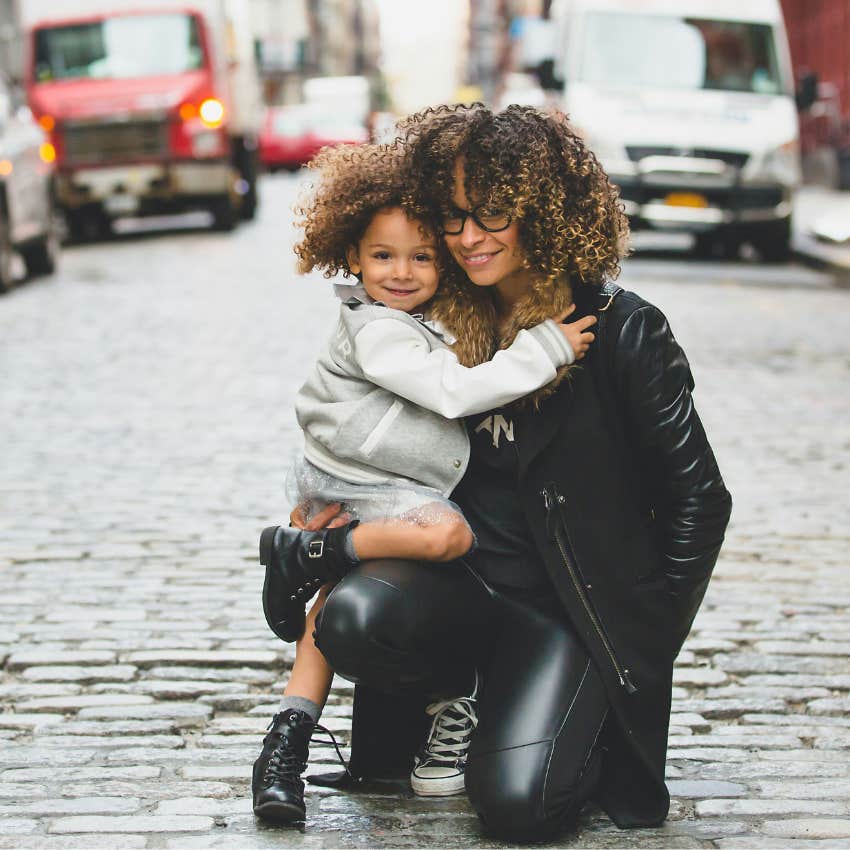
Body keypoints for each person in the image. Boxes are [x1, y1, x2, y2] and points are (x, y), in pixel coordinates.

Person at [291, 103, 733, 843]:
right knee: (354, 618)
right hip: (463, 588)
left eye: (493, 214)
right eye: (454, 217)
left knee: (519, 808)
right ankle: (458, 701)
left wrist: (643, 641)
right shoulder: (437, 317)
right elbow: (361, 426)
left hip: (566, 612)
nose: (467, 238)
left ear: (544, 209)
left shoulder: (623, 330)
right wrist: (328, 514)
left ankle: (555, 715)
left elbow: (700, 500)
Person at [252, 141, 597, 824]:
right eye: (383, 257)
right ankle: (321, 557)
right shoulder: (376, 329)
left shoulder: (418, 317)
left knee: (333, 592)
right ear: (352, 256)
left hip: (360, 475)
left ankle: (284, 739)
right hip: (368, 479)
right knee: (446, 534)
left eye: (421, 256)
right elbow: (450, 392)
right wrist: (548, 348)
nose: (403, 272)